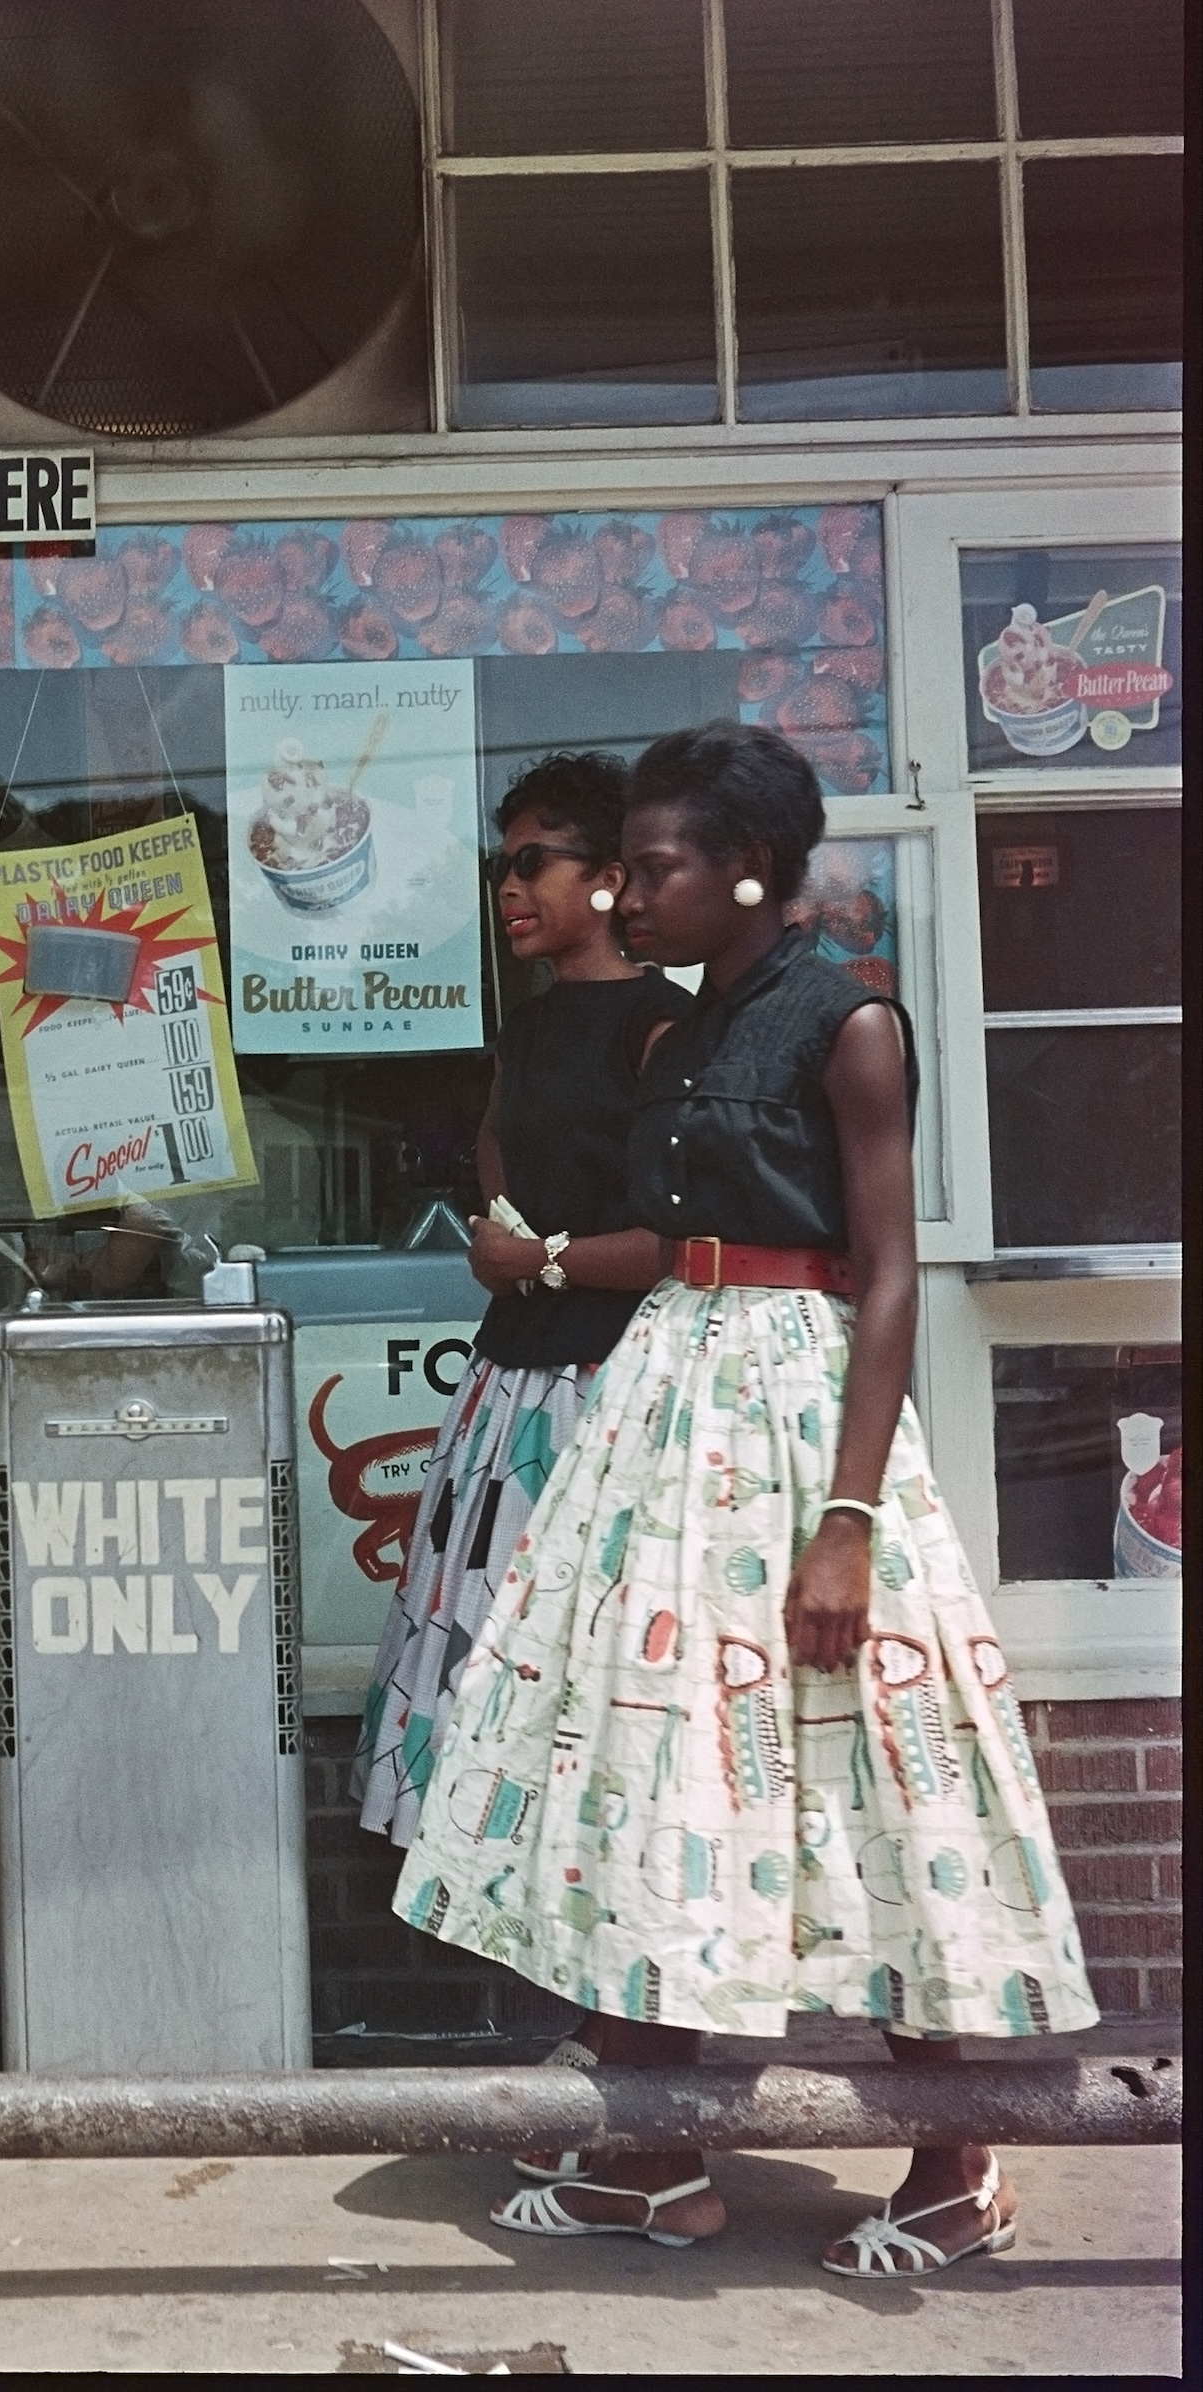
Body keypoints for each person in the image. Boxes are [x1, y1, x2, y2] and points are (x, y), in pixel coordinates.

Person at [393, 722, 1096, 2276]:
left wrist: (847, 1520)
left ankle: (952, 2163)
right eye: (627, 868)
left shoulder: (847, 1024)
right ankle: (656, 2152)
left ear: (751, 873)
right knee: (648, 1759)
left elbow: (889, 1273)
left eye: (659, 868)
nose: (632, 895)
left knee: (873, 1763)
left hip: (794, 1417)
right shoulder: (682, 1032)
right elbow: (657, 1232)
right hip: (666, 1400)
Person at [355, 754, 672, 1851]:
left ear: (609, 877)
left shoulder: (663, 1027)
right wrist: (506, 1231)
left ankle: (612, 1971)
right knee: (496, 1653)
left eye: (534, 861)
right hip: (510, 1388)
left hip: (617, 1386)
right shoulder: (528, 1027)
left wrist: (537, 1254)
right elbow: (499, 1148)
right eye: (504, 865)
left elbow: (685, 1235)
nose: (509, 887)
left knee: (599, 1664)